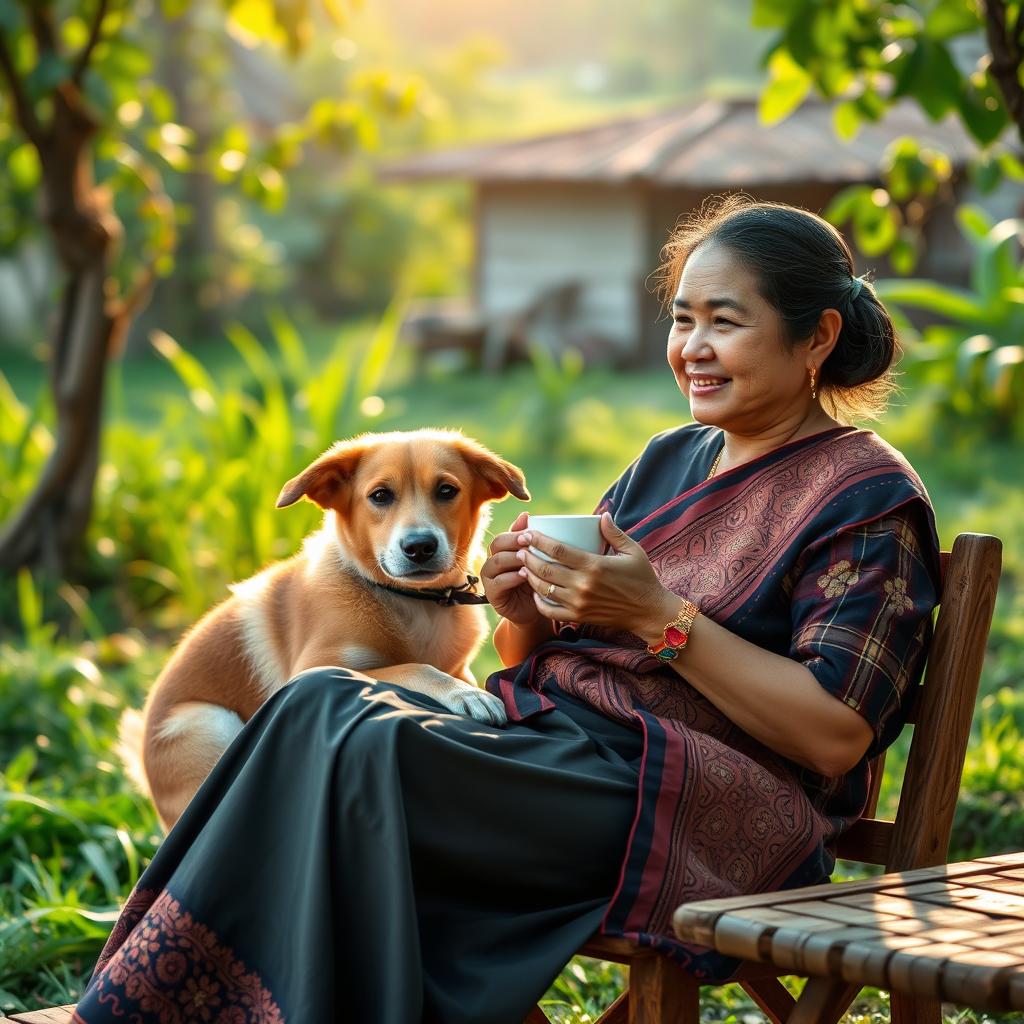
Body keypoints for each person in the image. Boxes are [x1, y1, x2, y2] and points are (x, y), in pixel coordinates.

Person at [73, 197, 941, 1024]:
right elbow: (535, 659)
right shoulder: (670, 458)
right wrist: (522, 608)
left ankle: (181, 1003)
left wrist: (659, 619)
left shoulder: (863, 499)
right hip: (555, 752)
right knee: (318, 701)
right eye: (682, 319)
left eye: (726, 321)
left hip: (692, 804)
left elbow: (833, 736)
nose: (694, 348)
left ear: (817, 336)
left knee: (363, 741)